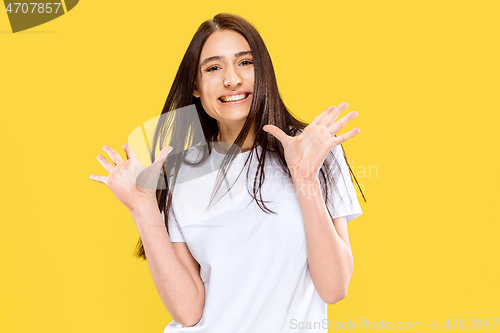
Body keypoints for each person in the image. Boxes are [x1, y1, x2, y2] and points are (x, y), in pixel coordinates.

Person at [89, 13, 365, 333]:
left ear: (263, 73)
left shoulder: (316, 149)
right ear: (195, 86)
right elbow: (189, 312)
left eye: (245, 62)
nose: (231, 79)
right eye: (213, 68)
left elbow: (334, 288)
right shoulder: (179, 173)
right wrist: (143, 207)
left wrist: (304, 177)